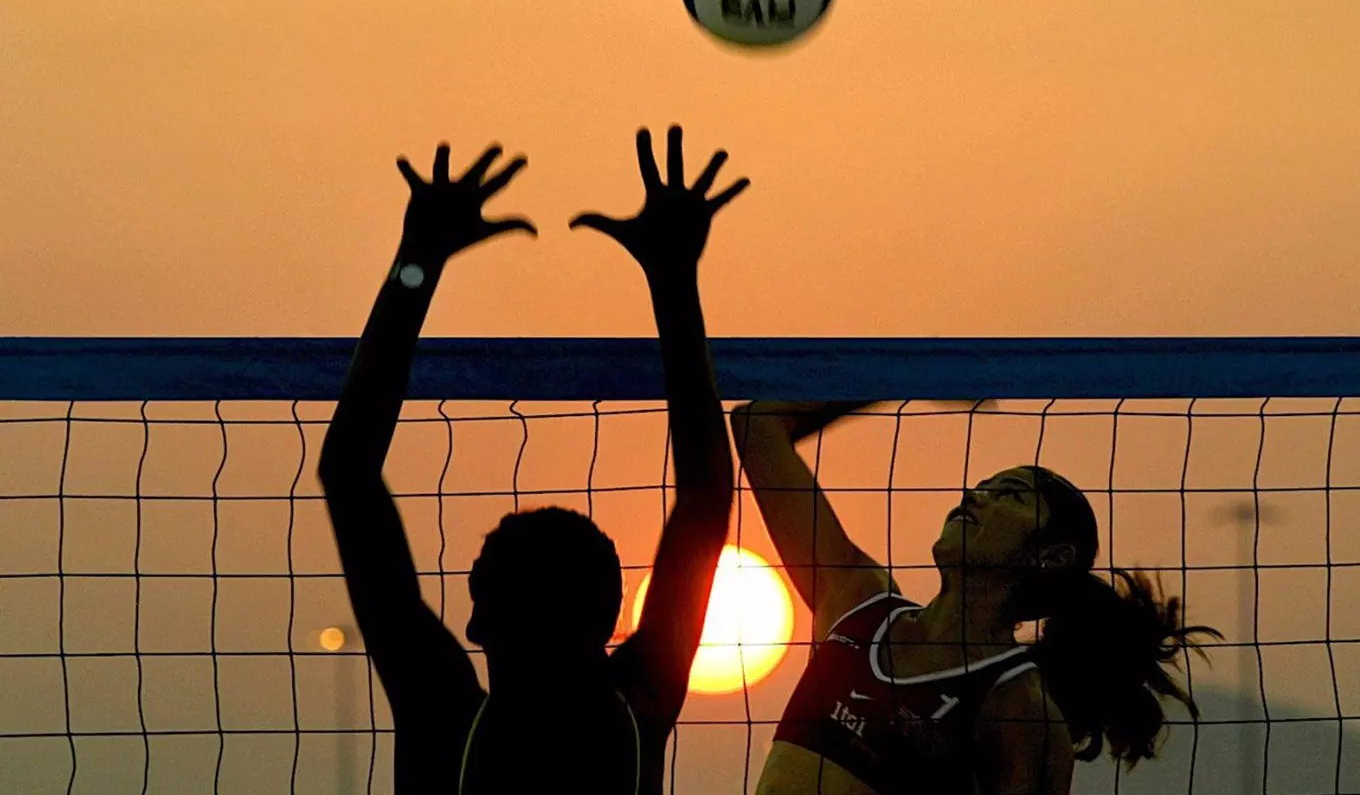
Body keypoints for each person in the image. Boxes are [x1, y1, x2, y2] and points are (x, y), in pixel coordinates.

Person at [317, 126, 749, 794]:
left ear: (477, 623)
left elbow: (347, 470)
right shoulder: (639, 708)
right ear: (611, 623)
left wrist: (418, 260)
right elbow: (706, 498)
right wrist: (673, 278)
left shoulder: (445, 718)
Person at [732, 401, 1224, 795]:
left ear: (1051, 556)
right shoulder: (857, 602)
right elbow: (756, 424)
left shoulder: (1017, 704)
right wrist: (899, 377)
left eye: (1007, 495)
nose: (975, 495)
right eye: (983, 486)